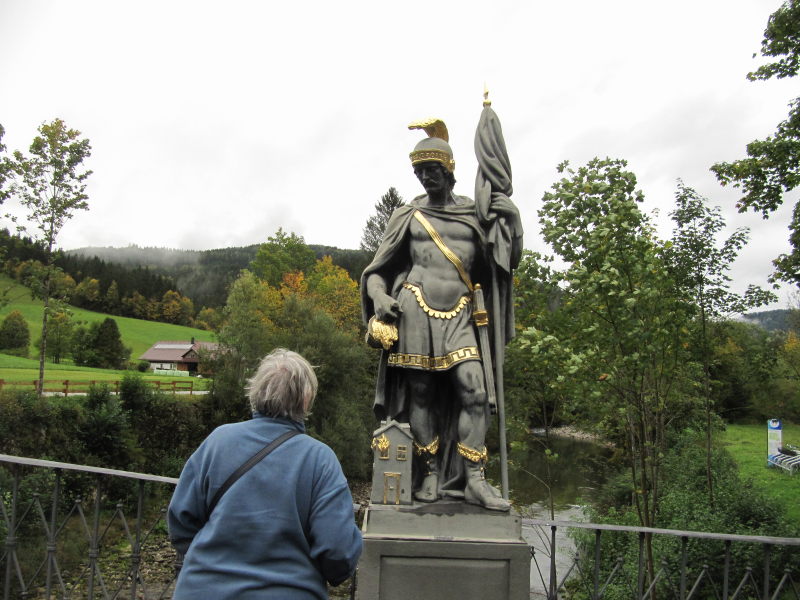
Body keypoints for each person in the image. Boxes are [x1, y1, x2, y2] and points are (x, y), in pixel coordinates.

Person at [361, 118, 522, 511]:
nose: (426, 178)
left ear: (450, 170)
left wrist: (512, 220)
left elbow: (505, 263)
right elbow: (376, 271)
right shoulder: (407, 216)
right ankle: (429, 470)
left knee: (475, 391)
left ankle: (474, 480)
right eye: (419, 172)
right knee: (422, 394)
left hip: (464, 313)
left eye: (433, 170)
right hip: (415, 308)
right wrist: (379, 298)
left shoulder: (474, 215)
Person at [168, 348, 362, 599]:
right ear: (306, 399)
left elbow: (181, 522)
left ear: (255, 391)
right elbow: (338, 554)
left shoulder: (218, 440)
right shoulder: (320, 459)